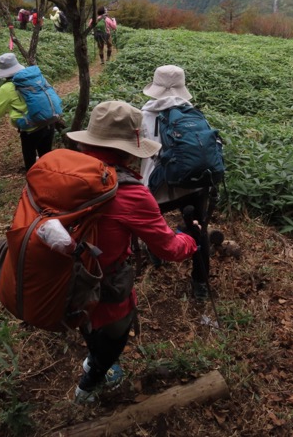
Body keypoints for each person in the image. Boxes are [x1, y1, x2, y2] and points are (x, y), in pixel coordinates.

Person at [66, 100, 199, 403]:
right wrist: (192, 239)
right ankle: (88, 385)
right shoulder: (130, 193)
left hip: (66, 275)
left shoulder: (68, 173)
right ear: (129, 150)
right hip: (105, 285)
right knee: (114, 339)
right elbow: (168, 249)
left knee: (86, 321)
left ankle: (92, 357)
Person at [139, 65, 213, 300]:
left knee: (152, 222)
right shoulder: (194, 113)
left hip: (159, 186)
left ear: (156, 87)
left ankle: (156, 252)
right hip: (195, 184)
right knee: (198, 228)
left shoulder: (144, 114)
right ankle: (200, 283)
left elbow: (140, 150)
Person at [0, 53, 55, 172]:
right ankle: (50, 180)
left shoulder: (6, 88)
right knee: (46, 156)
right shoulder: (34, 78)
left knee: (30, 160)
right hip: (48, 121)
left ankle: (34, 184)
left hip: (30, 129)